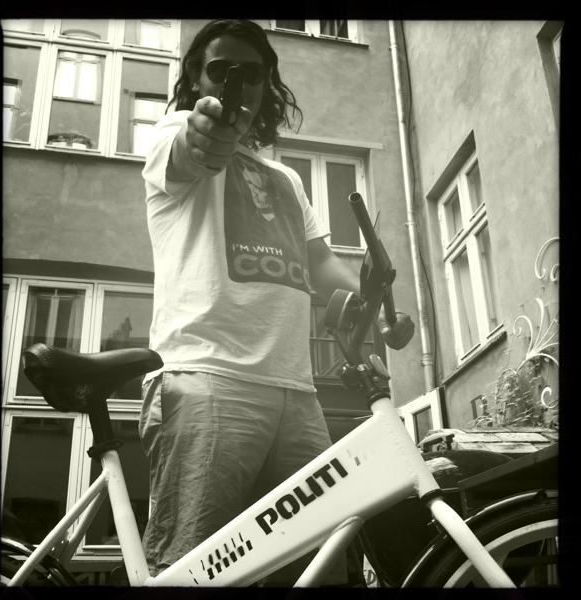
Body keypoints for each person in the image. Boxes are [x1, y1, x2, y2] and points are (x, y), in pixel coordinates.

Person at [139, 19, 415, 585]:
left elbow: (320, 264)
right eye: (221, 69)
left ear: (266, 83)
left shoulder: (287, 178)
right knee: (194, 571)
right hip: (207, 377)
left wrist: (375, 299)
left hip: (296, 393)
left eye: (251, 72)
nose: (236, 80)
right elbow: (196, 149)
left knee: (318, 568)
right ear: (195, 78)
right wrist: (208, 130)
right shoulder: (171, 133)